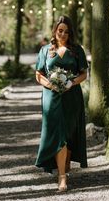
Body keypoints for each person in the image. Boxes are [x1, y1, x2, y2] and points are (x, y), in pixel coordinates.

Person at [35, 15, 88, 192]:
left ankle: (64, 165)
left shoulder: (77, 50)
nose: (63, 34)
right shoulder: (45, 50)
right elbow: (38, 74)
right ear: (55, 30)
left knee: (69, 132)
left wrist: (70, 83)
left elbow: (83, 74)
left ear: (70, 33)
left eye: (66, 31)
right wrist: (50, 84)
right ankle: (62, 178)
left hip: (72, 97)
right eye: (60, 30)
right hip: (51, 98)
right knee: (59, 135)